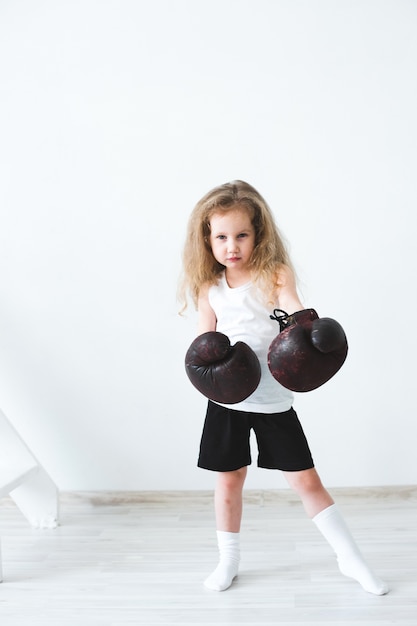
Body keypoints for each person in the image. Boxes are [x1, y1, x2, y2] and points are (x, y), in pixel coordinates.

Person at [179, 180, 388, 595]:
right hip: (228, 401)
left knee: (307, 482)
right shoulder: (210, 289)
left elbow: (295, 312)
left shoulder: (274, 274)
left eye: (241, 235)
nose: (231, 246)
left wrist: (312, 330)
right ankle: (228, 562)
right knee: (228, 482)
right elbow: (203, 346)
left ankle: (350, 559)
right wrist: (209, 369)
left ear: (258, 234)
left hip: (273, 398)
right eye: (221, 237)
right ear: (207, 240)